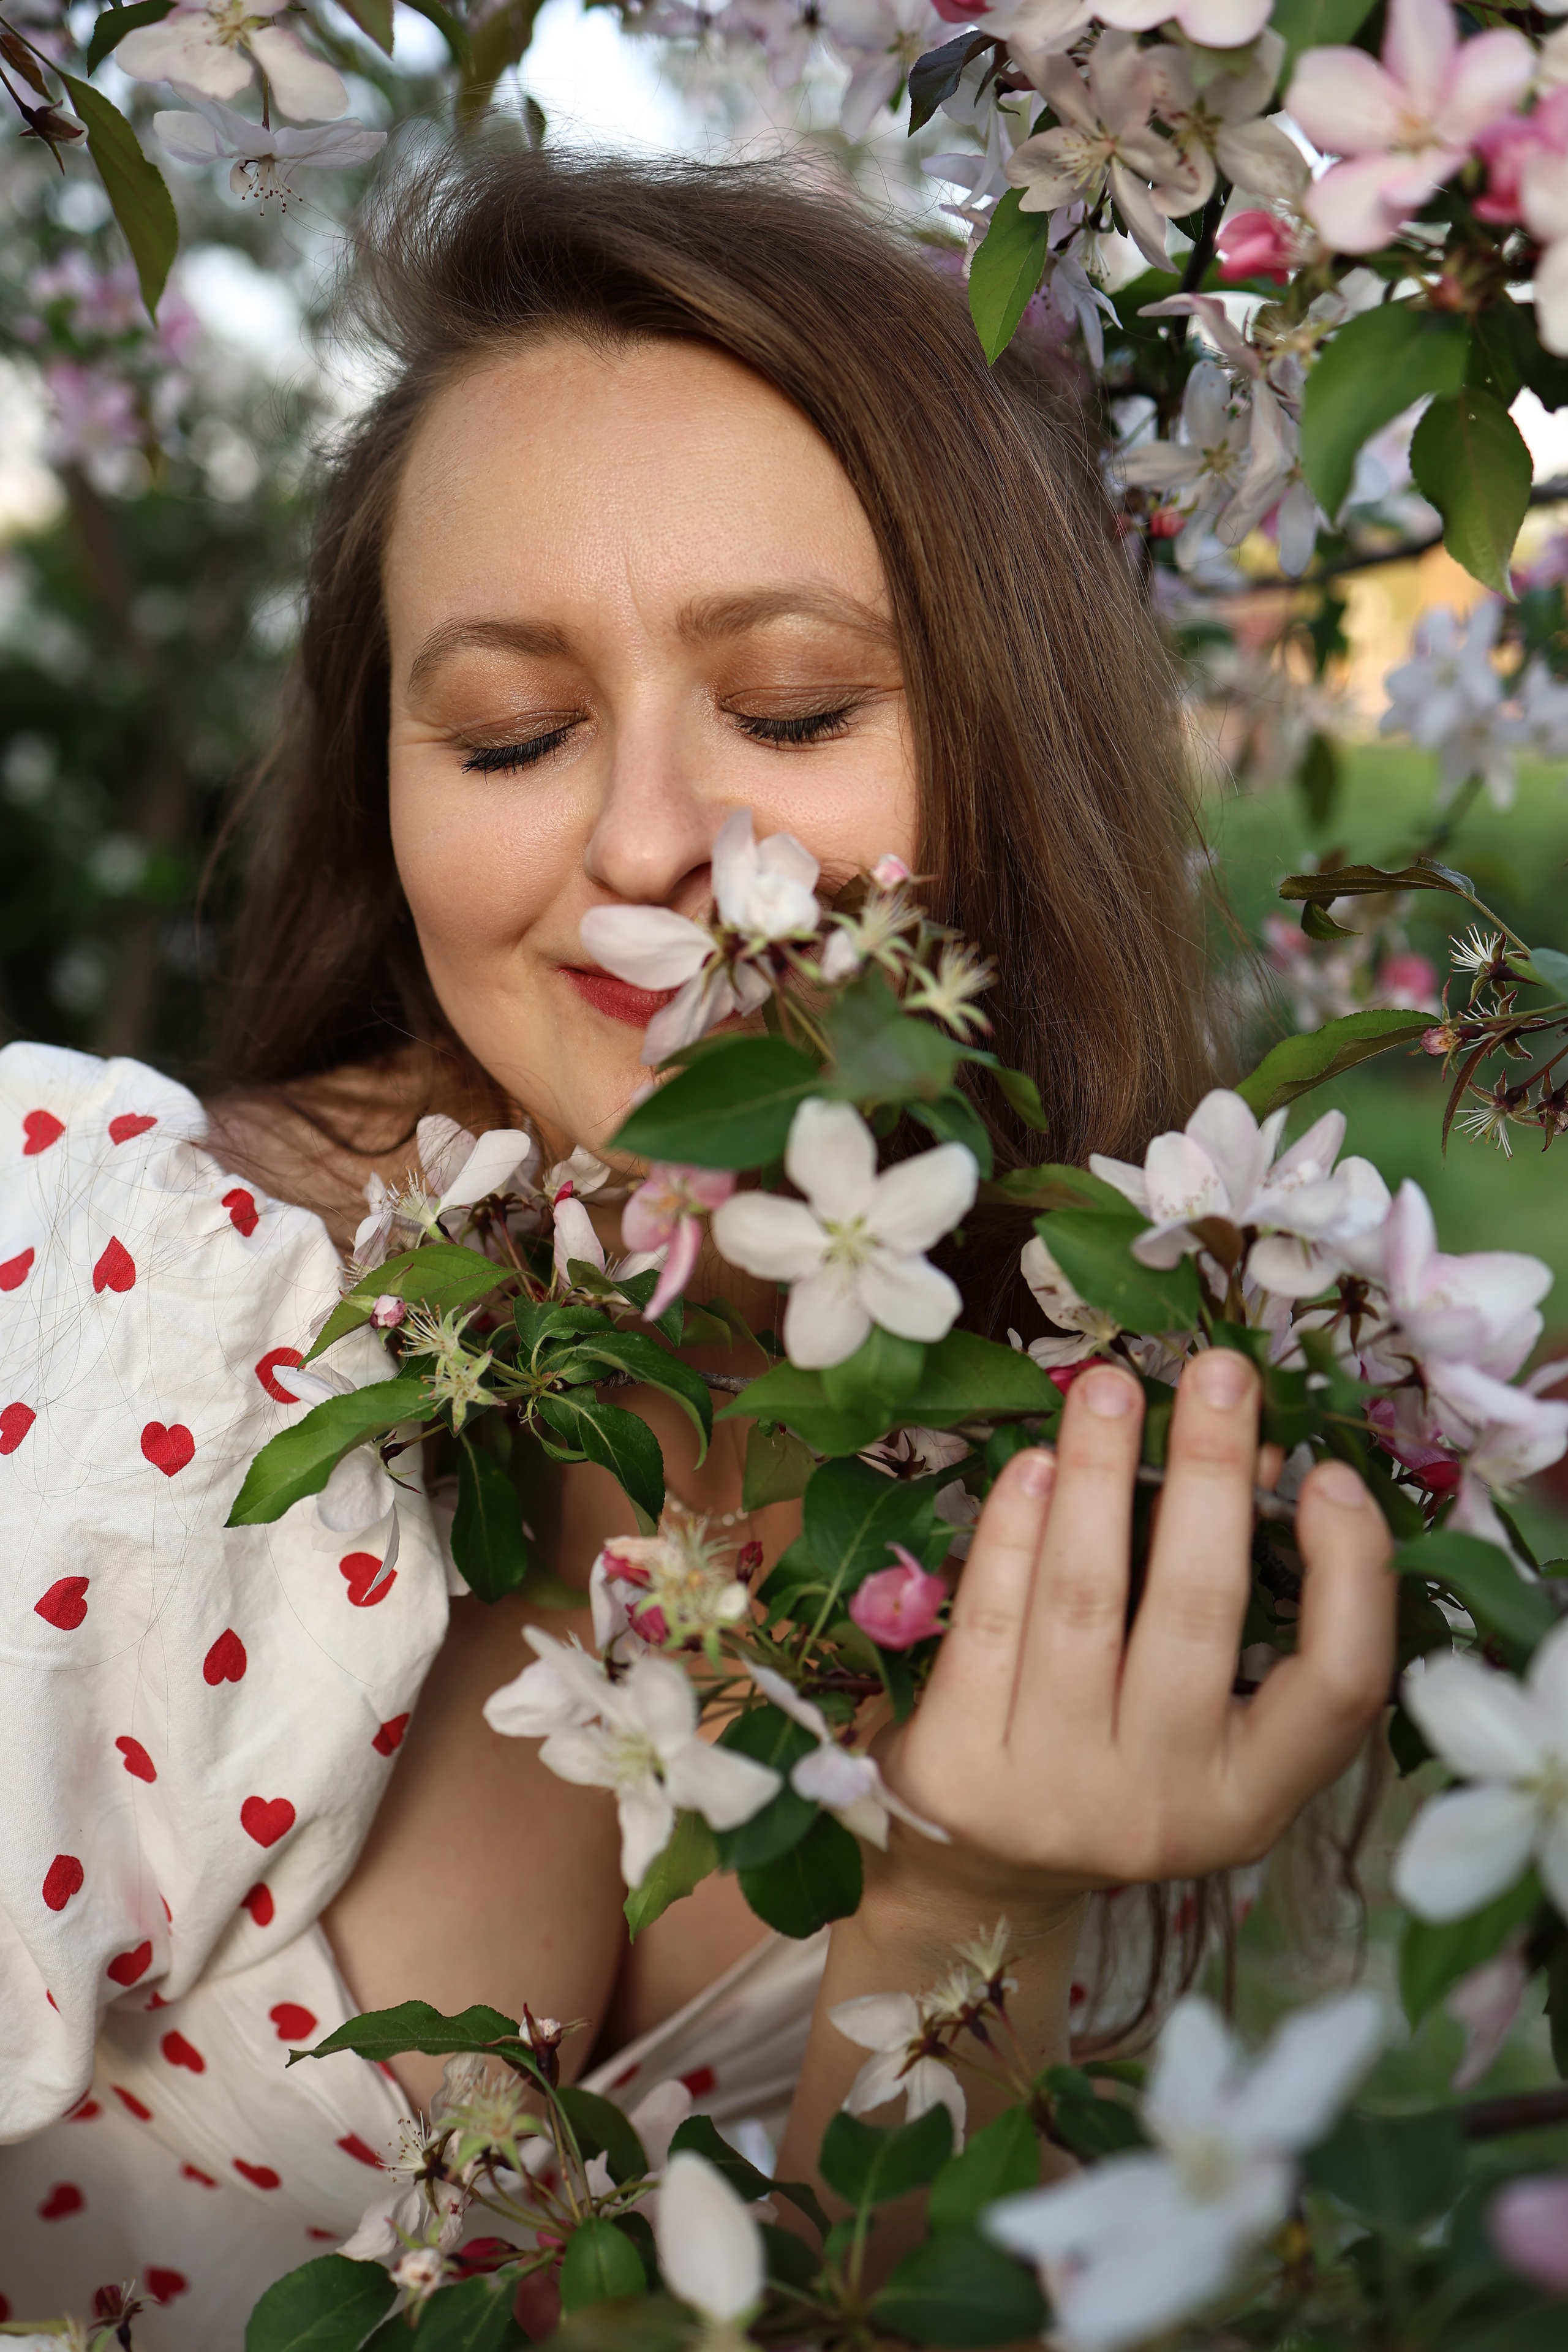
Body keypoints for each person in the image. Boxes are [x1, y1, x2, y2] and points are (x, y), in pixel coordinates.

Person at [0, 147, 1395, 2344]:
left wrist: (961, 1907)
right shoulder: (124, 1307)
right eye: (514, 736)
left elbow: (871, 2309)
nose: (650, 841)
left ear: (1017, 753)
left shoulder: (1095, 1500)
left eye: (797, 710)